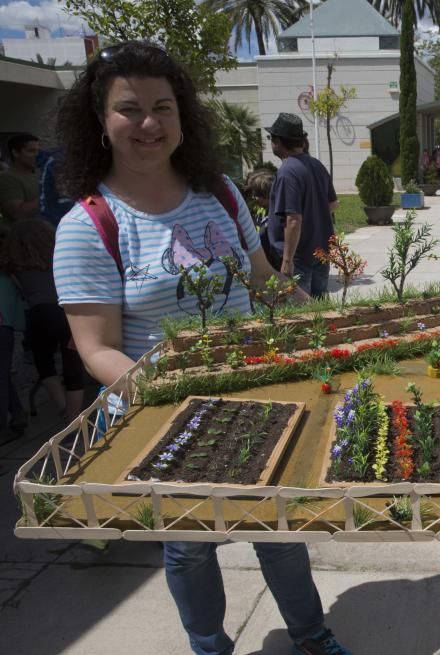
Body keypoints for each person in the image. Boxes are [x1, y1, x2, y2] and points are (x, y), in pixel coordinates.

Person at [51, 41, 351, 655]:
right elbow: (96, 349)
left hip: (260, 398)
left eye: (163, 107)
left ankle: (312, 637)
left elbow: (265, 281)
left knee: (281, 530)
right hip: (169, 421)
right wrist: (173, 399)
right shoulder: (90, 225)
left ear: (183, 116)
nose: (149, 124)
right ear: (99, 122)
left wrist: (327, 326)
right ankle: (210, 646)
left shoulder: (217, 192)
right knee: (189, 545)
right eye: (129, 109)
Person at [4, 219, 84, 425]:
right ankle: (74, 417)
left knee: (44, 362)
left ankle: (63, 410)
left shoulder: (15, 265)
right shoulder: (59, 257)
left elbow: (20, 291)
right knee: (72, 365)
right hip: (66, 311)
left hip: (39, 315)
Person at [266, 112, 339, 299]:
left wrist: (287, 260)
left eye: (271, 138)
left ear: (278, 141)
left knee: (300, 313)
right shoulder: (316, 165)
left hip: (299, 257)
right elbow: (332, 204)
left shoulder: (287, 172)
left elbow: (293, 220)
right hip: (321, 251)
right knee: (320, 307)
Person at [0, 225, 28, 445]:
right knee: (3, 376)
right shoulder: (10, 274)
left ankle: (3, 429)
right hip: (9, 328)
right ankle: (18, 415)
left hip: (5, 328)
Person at [0, 133, 42, 224]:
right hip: (22, 236)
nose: (37, 155)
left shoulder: (39, 173)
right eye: (31, 151)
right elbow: (19, 214)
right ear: (15, 152)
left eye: (38, 151)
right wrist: (49, 195)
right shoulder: (6, 177)